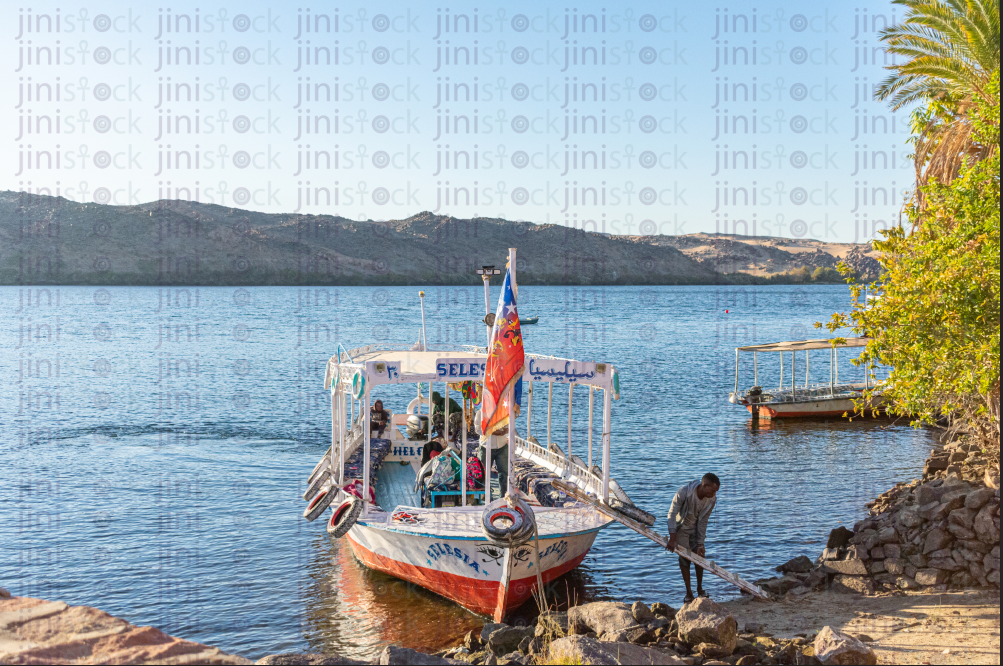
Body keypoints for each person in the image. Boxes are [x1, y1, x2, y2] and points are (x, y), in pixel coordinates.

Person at [665, 473, 721, 604]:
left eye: (716, 491)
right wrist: (672, 537)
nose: (714, 494)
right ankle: (689, 592)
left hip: (696, 530)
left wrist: (701, 543)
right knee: (685, 559)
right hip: (682, 529)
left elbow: (703, 521)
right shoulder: (684, 492)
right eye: (713, 490)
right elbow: (672, 514)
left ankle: (700, 589)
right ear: (704, 486)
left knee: (699, 557)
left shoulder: (711, 500)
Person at [475, 411, 508, 497]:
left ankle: (503, 497)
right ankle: (484, 496)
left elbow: (507, 427)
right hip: (485, 446)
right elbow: (478, 429)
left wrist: (490, 430)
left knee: (503, 473)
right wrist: (495, 432)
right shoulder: (480, 413)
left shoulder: (502, 411)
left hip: (502, 446)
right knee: (483, 473)